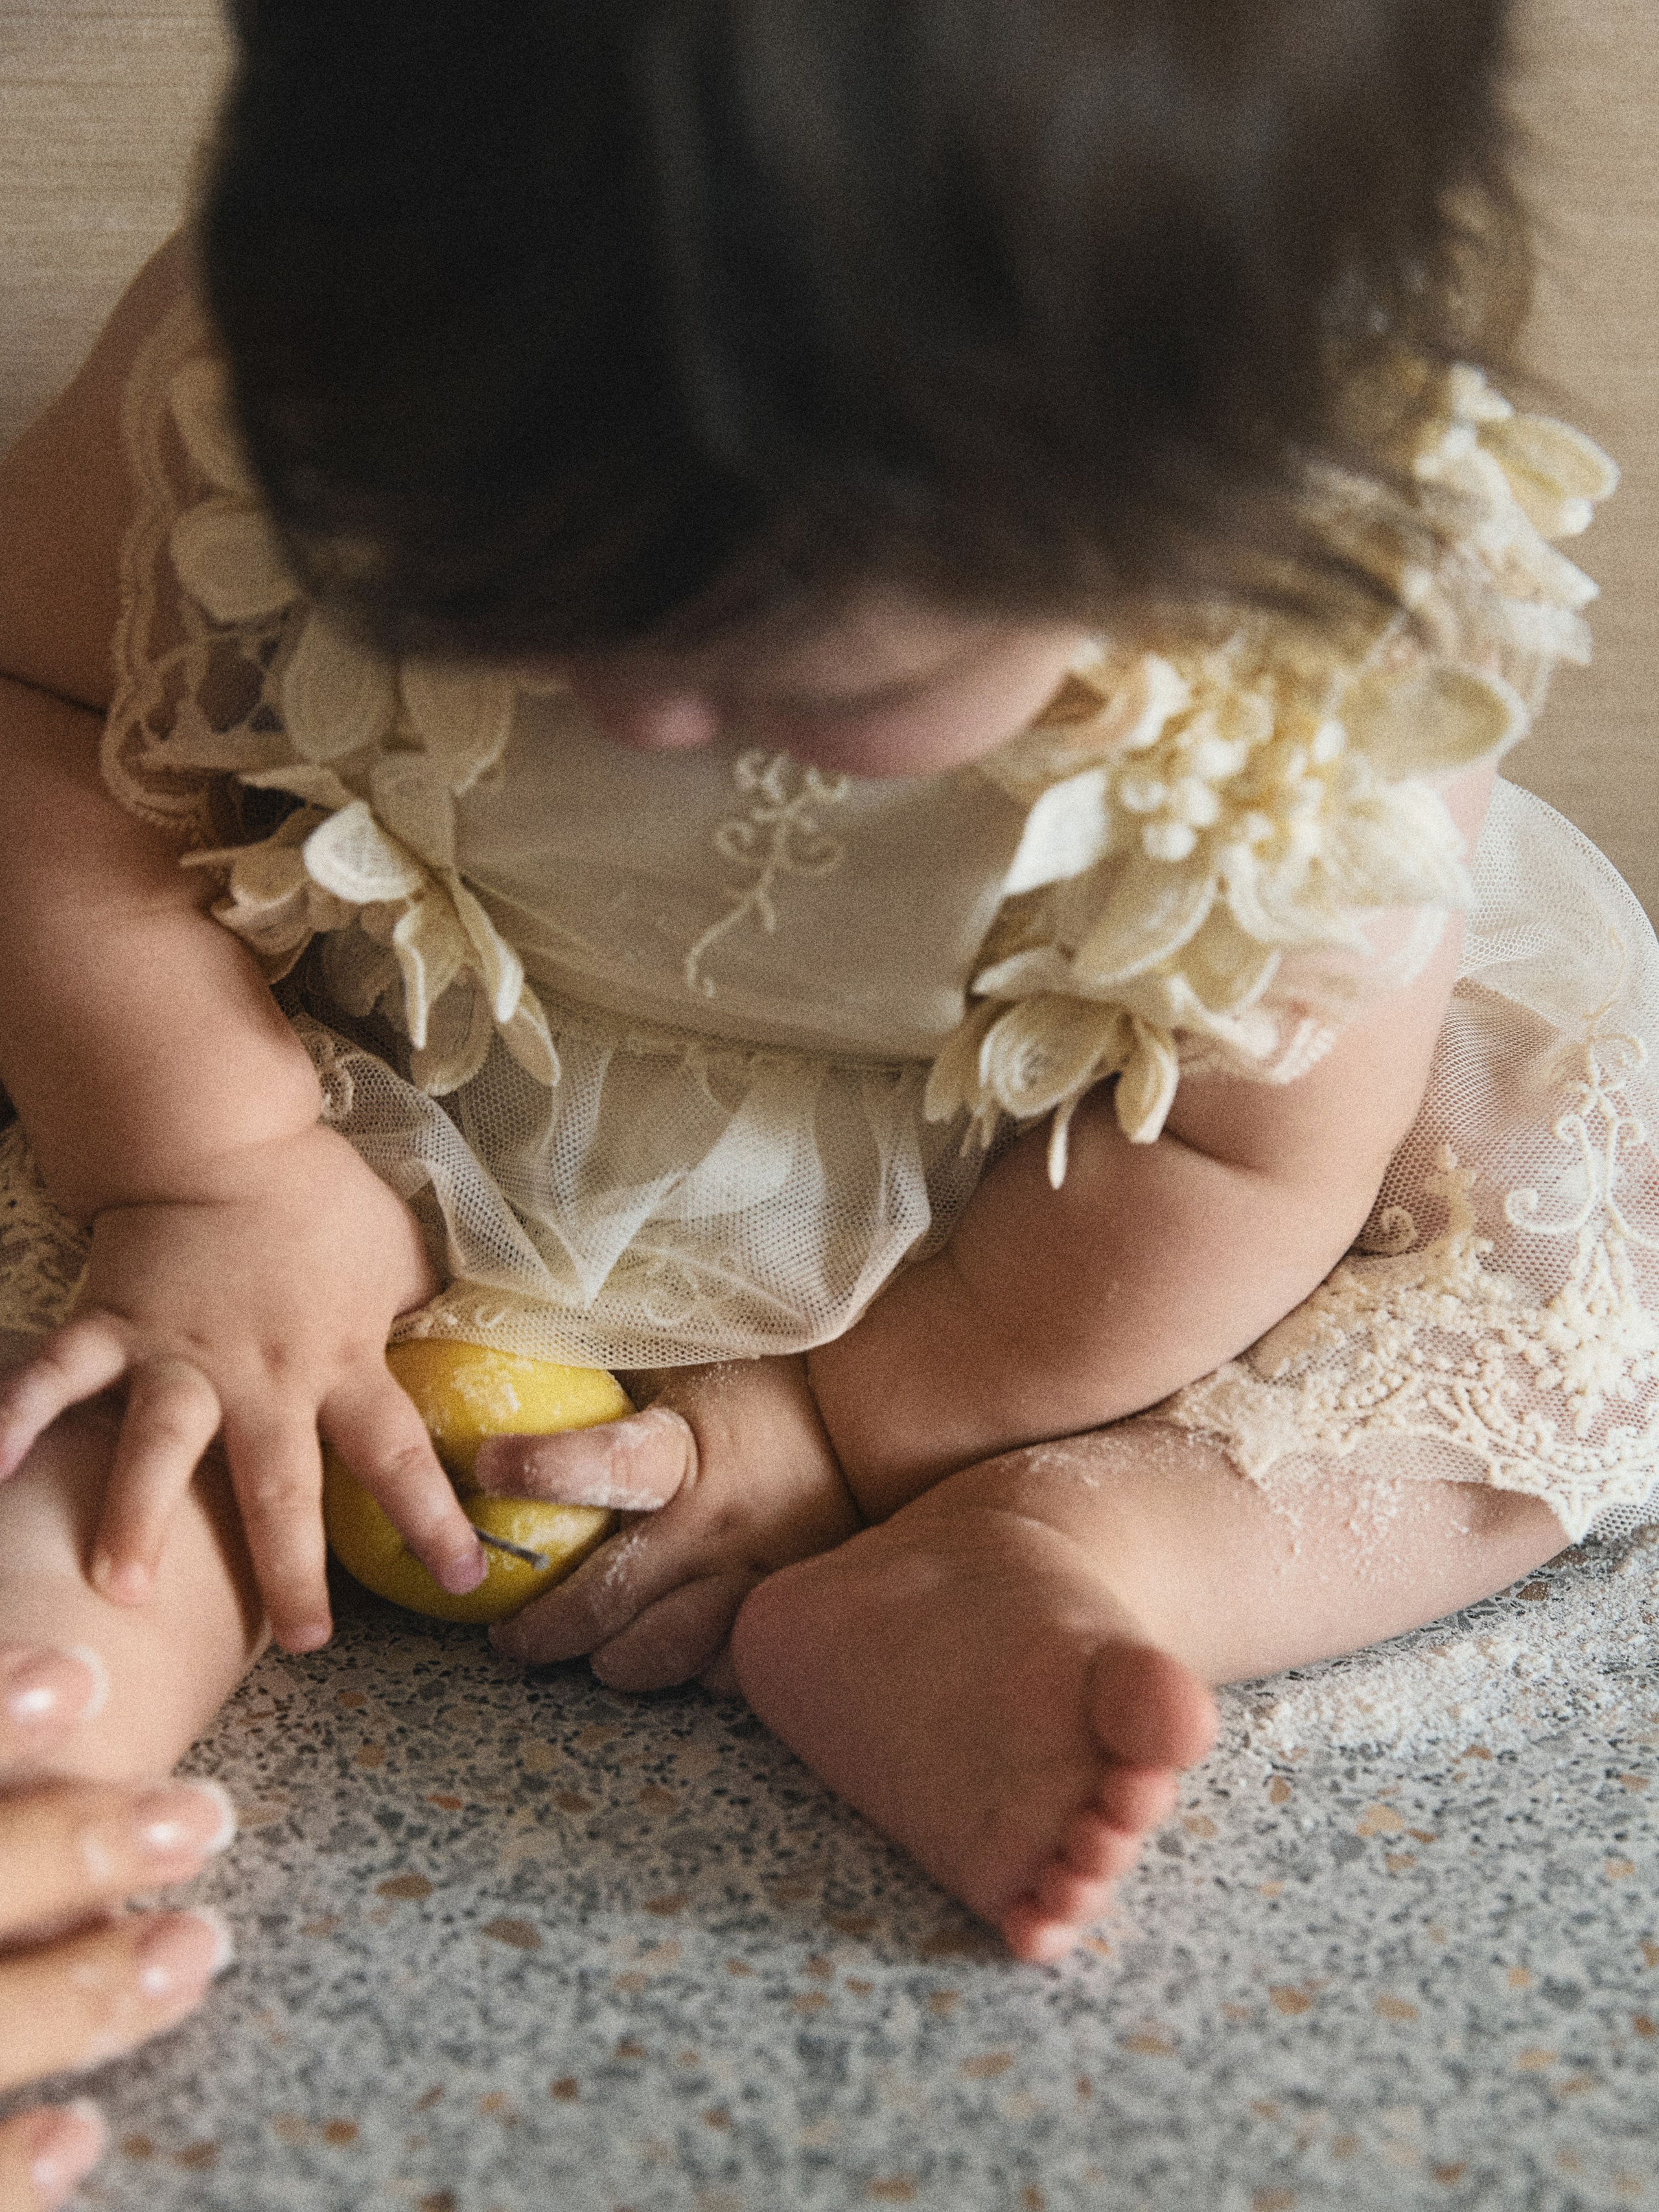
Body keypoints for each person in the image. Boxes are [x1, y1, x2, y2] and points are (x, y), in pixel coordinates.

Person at [1, 4, 1656, 2163]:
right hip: (356, 1082)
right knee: (115, 1357)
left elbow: (1252, 1162)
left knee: (1554, 1288)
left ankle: (1040, 1551)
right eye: (493, 592)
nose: (636, 708)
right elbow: (33, 694)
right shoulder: (296, 347)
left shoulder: (1296, 676)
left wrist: (852, 1416)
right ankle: (53, 1712)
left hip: (1045, 1212)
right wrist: (209, 1157)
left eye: (787, 669)